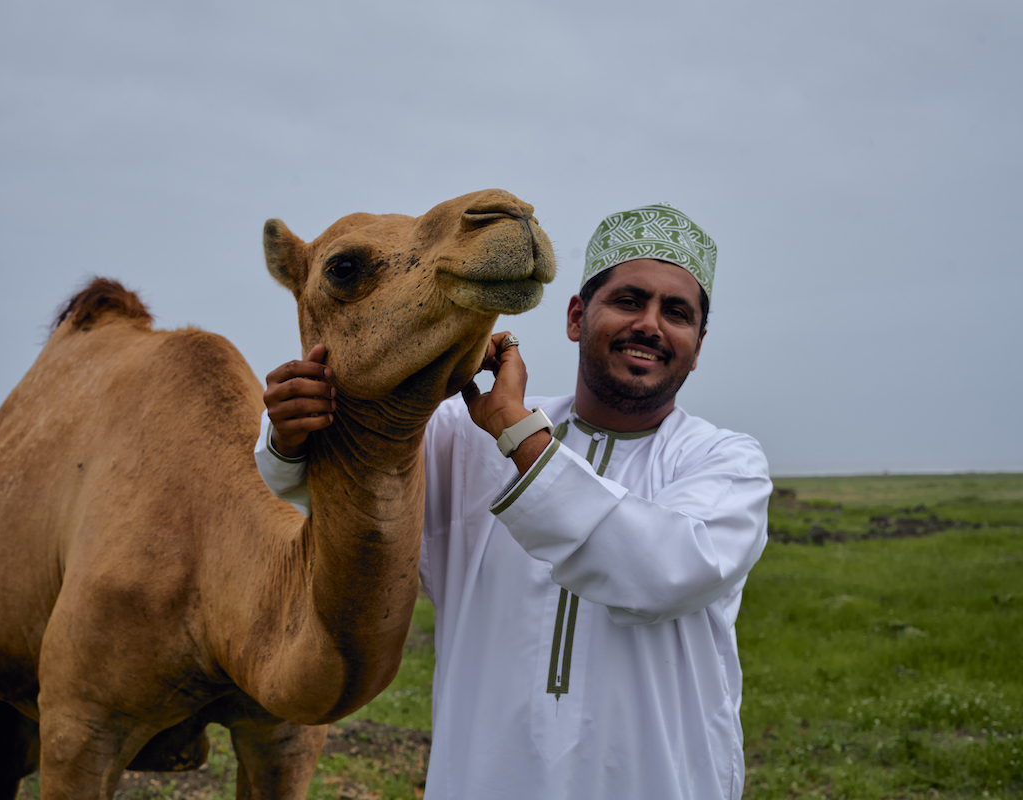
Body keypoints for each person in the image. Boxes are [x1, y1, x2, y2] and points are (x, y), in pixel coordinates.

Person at [256, 204, 771, 800]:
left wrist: (517, 433)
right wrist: (291, 433)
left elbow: (663, 572)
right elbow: (345, 483)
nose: (650, 325)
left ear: (698, 345)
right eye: (629, 301)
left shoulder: (726, 464)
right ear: (577, 317)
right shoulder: (460, 437)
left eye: (676, 313)